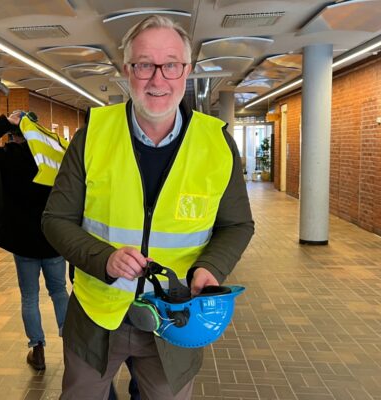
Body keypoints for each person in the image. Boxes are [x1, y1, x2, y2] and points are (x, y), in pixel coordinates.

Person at [42, 15, 254, 399]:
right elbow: (55, 220)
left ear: (186, 70)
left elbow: (237, 225)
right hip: (97, 314)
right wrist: (102, 257)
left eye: (171, 64)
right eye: (144, 65)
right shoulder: (92, 135)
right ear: (127, 70)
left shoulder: (216, 143)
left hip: (175, 315)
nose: (158, 80)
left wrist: (211, 267)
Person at [0, 110, 69, 371]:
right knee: (59, 291)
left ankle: (37, 350)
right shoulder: (53, 157)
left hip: (22, 241)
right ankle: (72, 344)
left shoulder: (9, 157)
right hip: (52, 238)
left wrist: (5, 121)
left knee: (29, 296)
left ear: (14, 135)